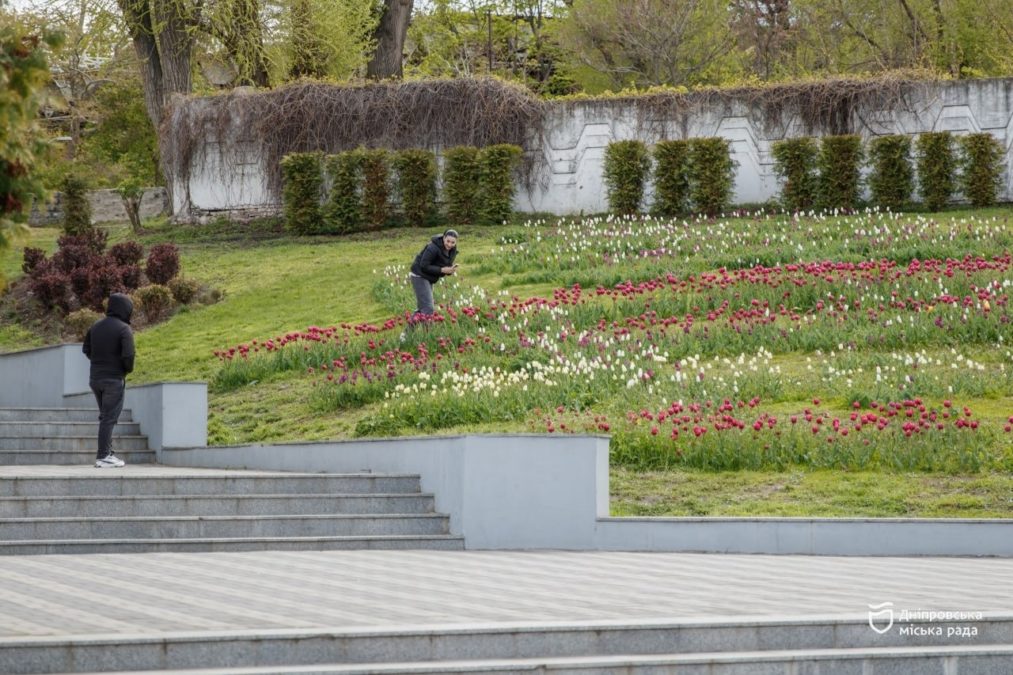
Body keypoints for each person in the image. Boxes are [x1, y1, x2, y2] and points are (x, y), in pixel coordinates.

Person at [82, 293, 135, 468]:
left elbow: (86, 349)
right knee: (109, 418)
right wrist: (125, 370)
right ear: (125, 309)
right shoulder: (124, 329)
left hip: (95, 379)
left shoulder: (95, 326)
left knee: (106, 417)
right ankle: (103, 455)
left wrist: (98, 362)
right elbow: (128, 355)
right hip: (113, 379)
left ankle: (108, 452)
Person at [406, 229, 459, 333]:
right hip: (419, 275)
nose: (449, 244)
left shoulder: (452, 250)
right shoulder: (433, 247)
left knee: (423, 308)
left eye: (453, 242)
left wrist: (450, 270)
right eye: (447, 241)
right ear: (443, 238)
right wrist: (442, 270)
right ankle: (428, 334)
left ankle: (406, 334)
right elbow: (424, 265)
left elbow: (443, 267)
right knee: (428, 308)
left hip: (429, 277)